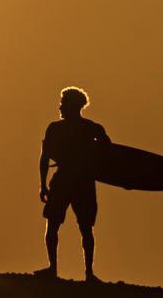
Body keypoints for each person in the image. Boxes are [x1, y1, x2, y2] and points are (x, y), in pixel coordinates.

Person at [38, 86, 111, 281]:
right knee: (57, 225)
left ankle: (87, 272)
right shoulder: (90, 128)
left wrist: (43, 185)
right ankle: (55, 269)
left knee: (84, 227)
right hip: (73, 181)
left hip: (76, 182)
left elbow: (109, 155)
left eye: (63, 103)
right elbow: (45, 158)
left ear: (72, 106)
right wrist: (43, 185)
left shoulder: (91, 128)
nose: (60, 107)